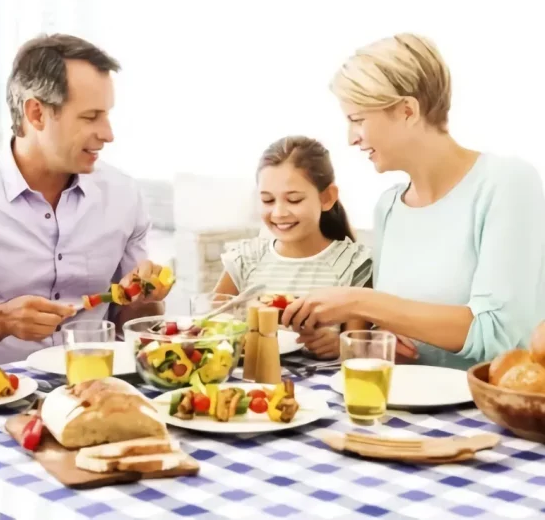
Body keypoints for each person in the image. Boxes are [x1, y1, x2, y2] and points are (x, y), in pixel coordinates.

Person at [282, 33, 545, 369]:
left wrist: (359, 301)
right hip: (408, 406)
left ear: (407, 111)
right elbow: (405, 326)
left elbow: (496, 335)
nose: (351, 138)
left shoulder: (506, 183)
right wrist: (382, 341)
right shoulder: (390, 207)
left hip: (484, 413)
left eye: (357, 119)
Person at [0, 34, 170, 366]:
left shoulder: (123, 196)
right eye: (91, 117)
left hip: (98, 385)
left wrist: (146, 297)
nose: (108, 133)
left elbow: (134, 323)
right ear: (36, 113)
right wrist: (0, 322)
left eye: (107, 115)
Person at [214, 136, 371, 359]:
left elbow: (360, 348)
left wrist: (339, 346)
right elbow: (209, 328)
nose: (278, 213)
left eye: (294, 200)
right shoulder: (245, 259)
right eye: (268, 200)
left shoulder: (352, 264)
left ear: (327, 198)